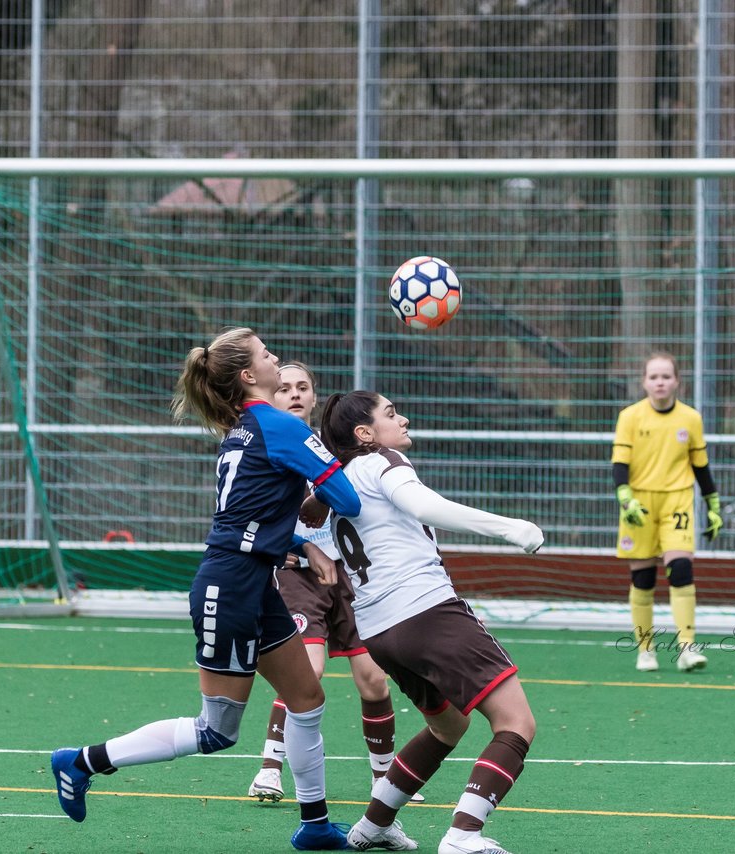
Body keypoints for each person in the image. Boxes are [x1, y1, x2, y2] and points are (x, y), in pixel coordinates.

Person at [49, 328, 363, 851]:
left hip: (251, 579)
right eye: (266, 354)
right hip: (231, 585)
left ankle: (313, 825)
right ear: (248, 375)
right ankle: (81, 761)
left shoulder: (244, 426)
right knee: (217, 731)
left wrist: (302, 529)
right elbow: (347, 500)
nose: (275, 358)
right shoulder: (279, 426)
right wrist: (355, 464)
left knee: (306, 699)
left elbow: (268, 509)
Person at [313, 390, 544, 854]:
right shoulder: (382, 460)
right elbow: (424, 506)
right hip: (424, 611)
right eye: (391, 414)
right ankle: (463, 835)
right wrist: (510, 527)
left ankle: (374, 824)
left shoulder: (332, 484)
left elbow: (303, 523)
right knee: (516, 722)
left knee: (448, 727)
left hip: (378, 630)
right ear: (364, 434)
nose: (403, 419)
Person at [247, 362, 423, 806]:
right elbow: (258, 514)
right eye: (284, 387)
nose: (294, 394)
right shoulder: (270, 447)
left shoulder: (333, 450)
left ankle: (384, 778)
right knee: (308, 672)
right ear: (271, 394)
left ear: (314, 396)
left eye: (303, 387)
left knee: (374, 682)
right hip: (299, 579)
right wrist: (295, 545)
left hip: (350, 576)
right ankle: (269, 767)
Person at [612, 350, 724, 673]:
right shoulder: (630, 417)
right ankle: (646, 650)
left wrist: (713, 504)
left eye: (666, 376)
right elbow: (620, 466)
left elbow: (701, 467)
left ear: (677, 381)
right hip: (640, 506)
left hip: (677, 501)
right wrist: (626, 500)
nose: (660, 382)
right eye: (653, 377)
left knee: (681, 570)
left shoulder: (690, 419)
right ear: (644, 382)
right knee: (644, 578)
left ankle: (687, 647)